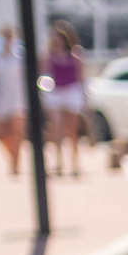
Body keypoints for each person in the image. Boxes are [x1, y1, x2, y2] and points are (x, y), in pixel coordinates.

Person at [44, 20, 86, 177]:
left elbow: (81, 77)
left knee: (72, 129)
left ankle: (75, 164)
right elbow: (44, 73)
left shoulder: (75, 54)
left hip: (71, 92)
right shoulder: (50, 55)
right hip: (55, 92)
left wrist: (84, 100)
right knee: (56, 127)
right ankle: (58, 162)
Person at [0, 24, 29, 176]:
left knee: (17, 131)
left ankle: (15, 164)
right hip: (0, 98)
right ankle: (13, 157)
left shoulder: (20, 56)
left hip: (17, 97)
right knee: (0, 133)